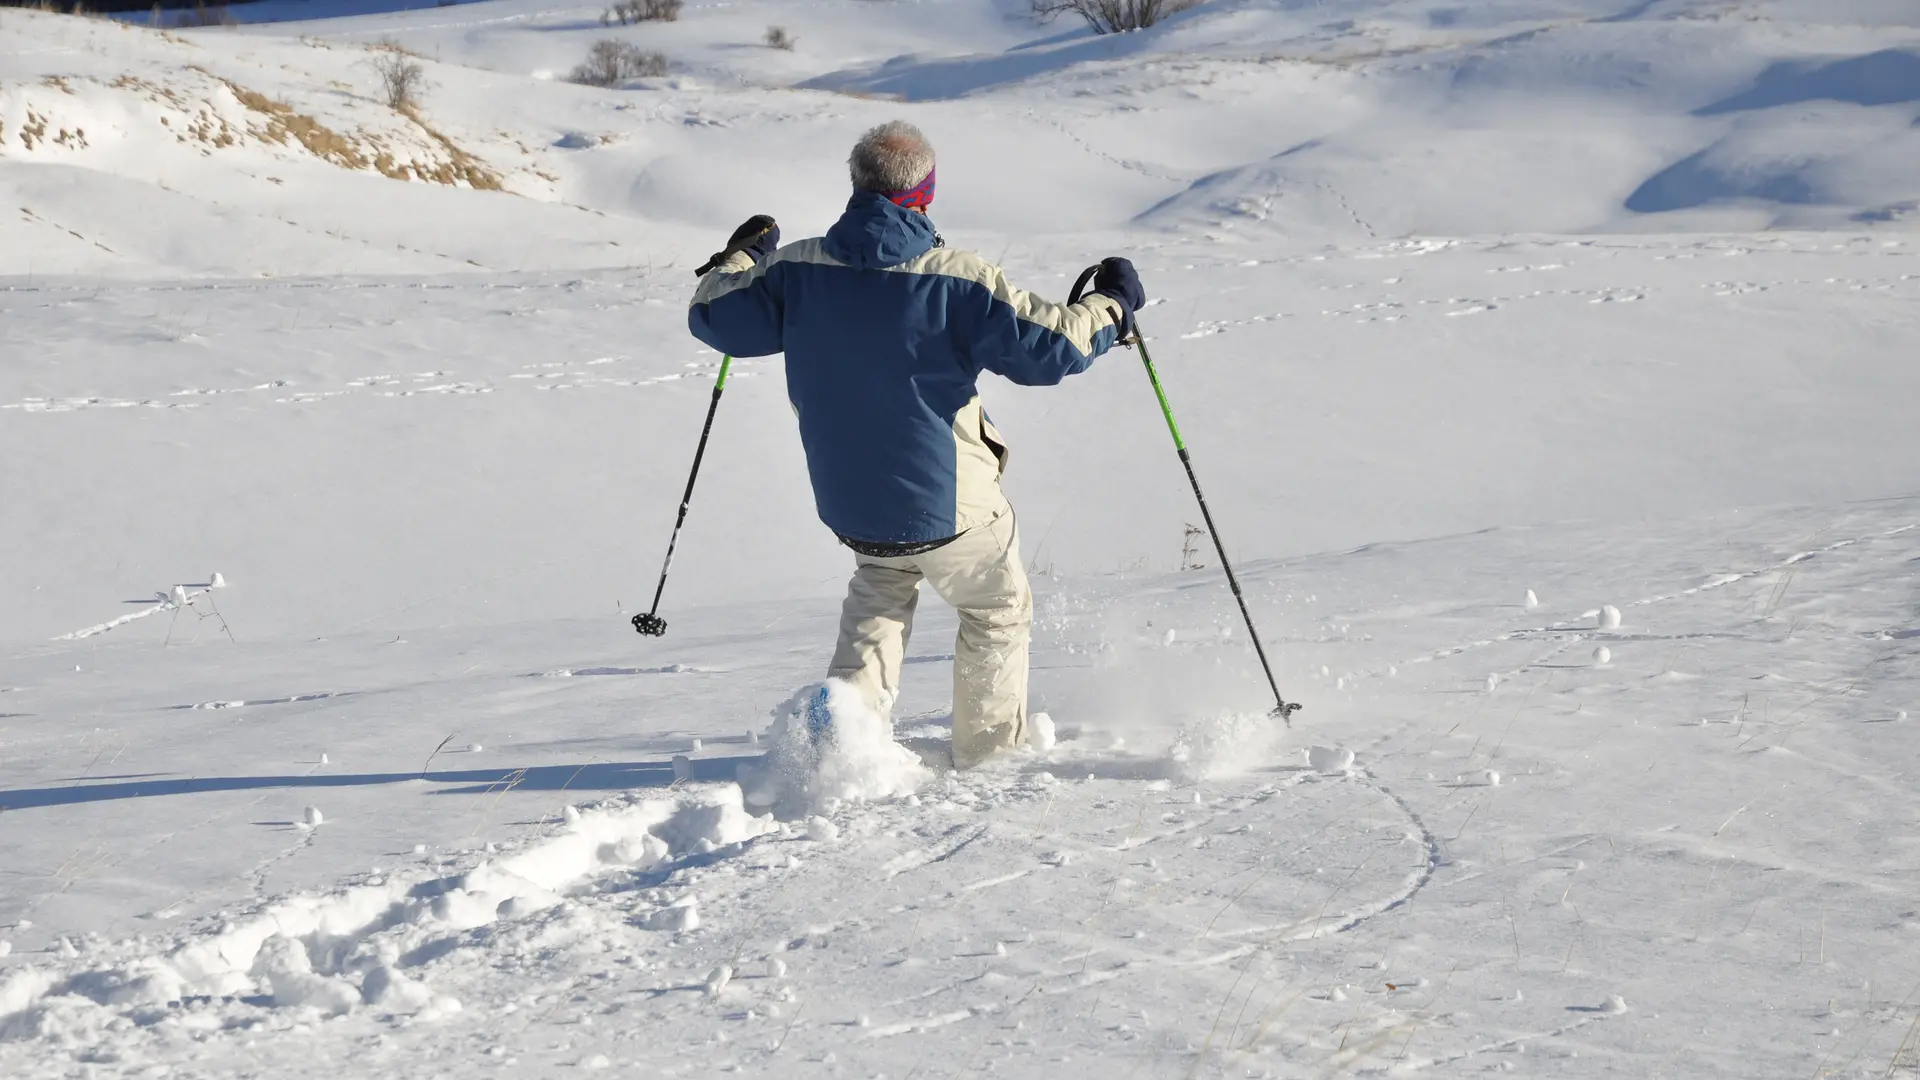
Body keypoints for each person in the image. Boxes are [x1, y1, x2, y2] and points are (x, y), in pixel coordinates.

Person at [687, 120, 1146, 769]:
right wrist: (1112, 306)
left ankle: (843, 736)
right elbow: (1055, 348)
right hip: (951, 508)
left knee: (880, 590)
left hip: (857, 506)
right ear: (925, 192)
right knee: (995, 612)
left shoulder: (796, 272)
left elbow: (712, 312)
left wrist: (744, 257)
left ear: (857, 184)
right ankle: (989, 760)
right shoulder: (957, 279)